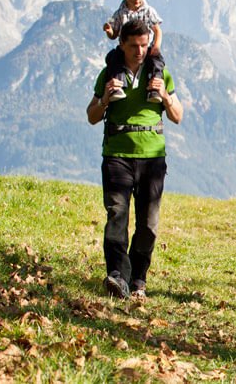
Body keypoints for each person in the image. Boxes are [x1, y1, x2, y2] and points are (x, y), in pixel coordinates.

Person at [86, 19, 184, 299]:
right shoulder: (109, 73)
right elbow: (92, 116)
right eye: (134, 46)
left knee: (148, 223)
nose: (140, 51)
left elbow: (178, 115)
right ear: (122, 45)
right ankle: (118, 276)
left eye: (144, 45)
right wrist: (105, 98)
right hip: (117, 153)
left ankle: (138, 278)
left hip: (153, 156)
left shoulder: (160, 73)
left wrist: (164, 96)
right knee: (117, 214)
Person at [102, 0, 166, 103]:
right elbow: (114, 35)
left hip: (147, 47)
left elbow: (157, 30)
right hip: (125, 48)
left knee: (156, 62)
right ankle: (118, 86)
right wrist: (109, 31)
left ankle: (154, 89)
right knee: (113, 59)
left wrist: (156, 46)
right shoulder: (119, 13)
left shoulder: (149, 11)